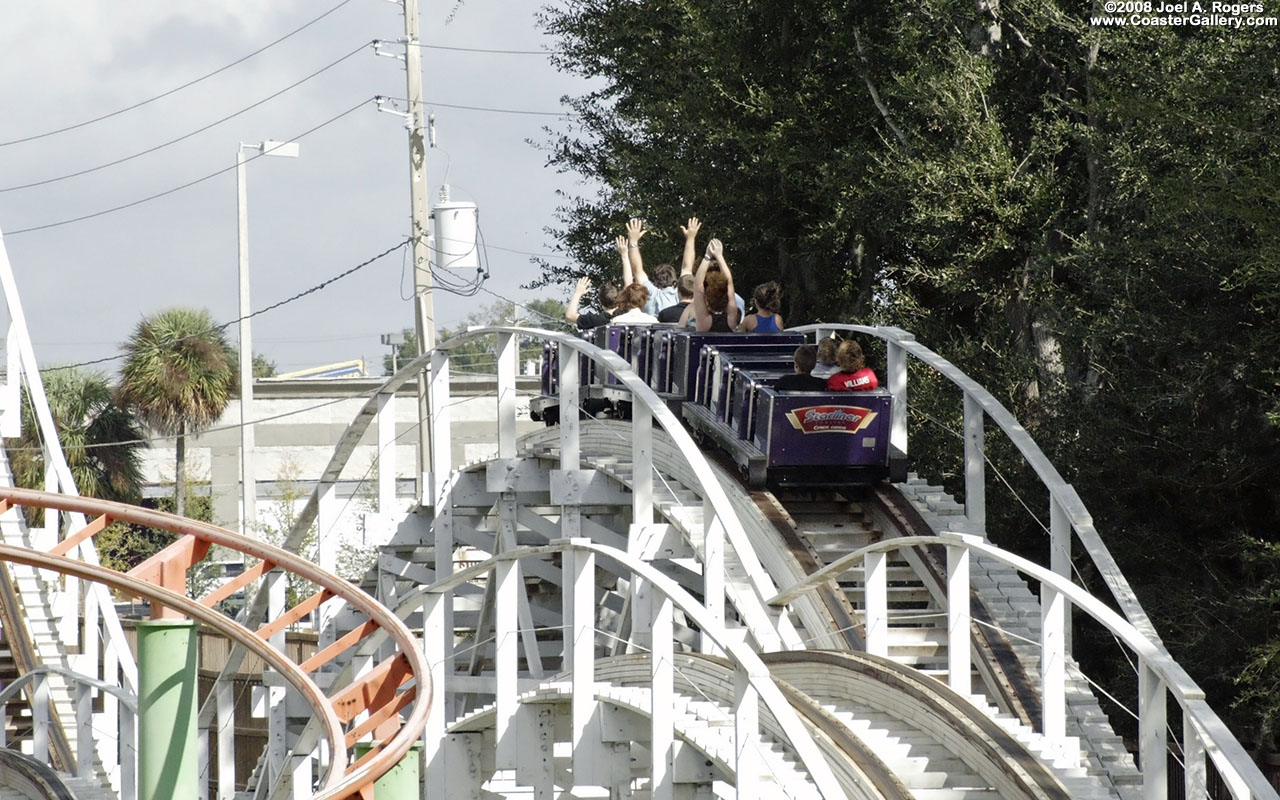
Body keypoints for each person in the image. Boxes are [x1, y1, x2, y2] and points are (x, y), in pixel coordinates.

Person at [623, 218, 686, 315]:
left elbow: (637, 271)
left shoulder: (651, 293)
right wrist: (691, 238)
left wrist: (633, 242)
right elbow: (687, 268)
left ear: (656, 280)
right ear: (674, 280)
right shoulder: (680, 295)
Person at [681, 238, 740, 332]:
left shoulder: (704, 322)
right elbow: (729, 284)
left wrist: (707, 256)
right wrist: (719, 256)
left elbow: (698, 287)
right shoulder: (731, 320)